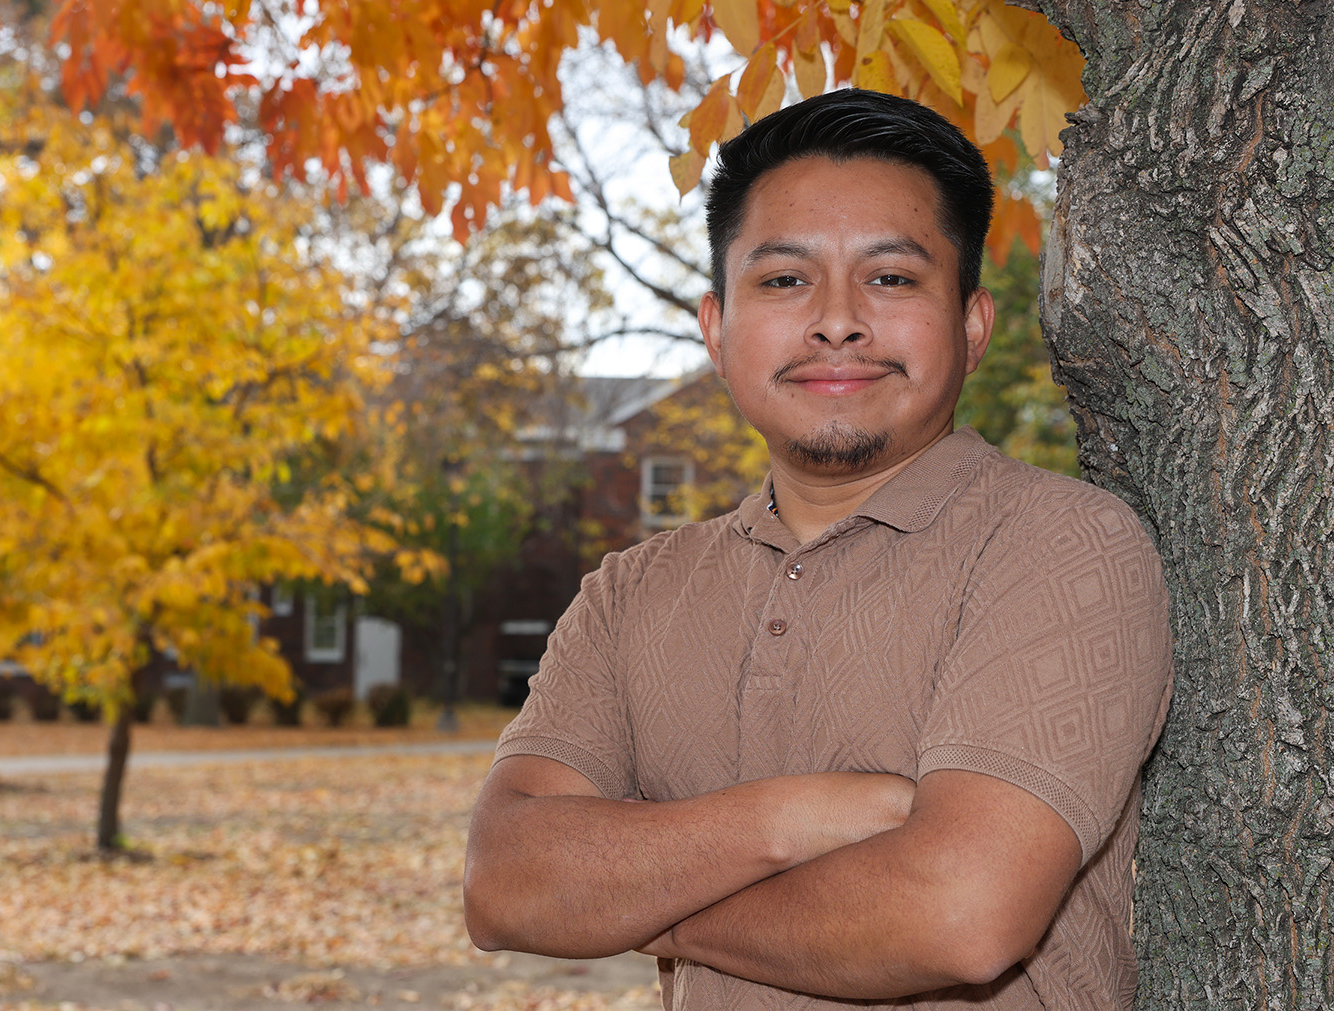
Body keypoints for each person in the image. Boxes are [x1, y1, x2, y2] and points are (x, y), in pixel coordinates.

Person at [463, 88, 1173, 1010]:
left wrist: (637, 898)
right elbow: (504, 883)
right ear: (717, 329)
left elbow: (957, 913)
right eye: (785, 279)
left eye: (891, 278)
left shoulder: (1060, 544)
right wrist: (792, 818)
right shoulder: (634, 592)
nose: (837, 321)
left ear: (972, 325)